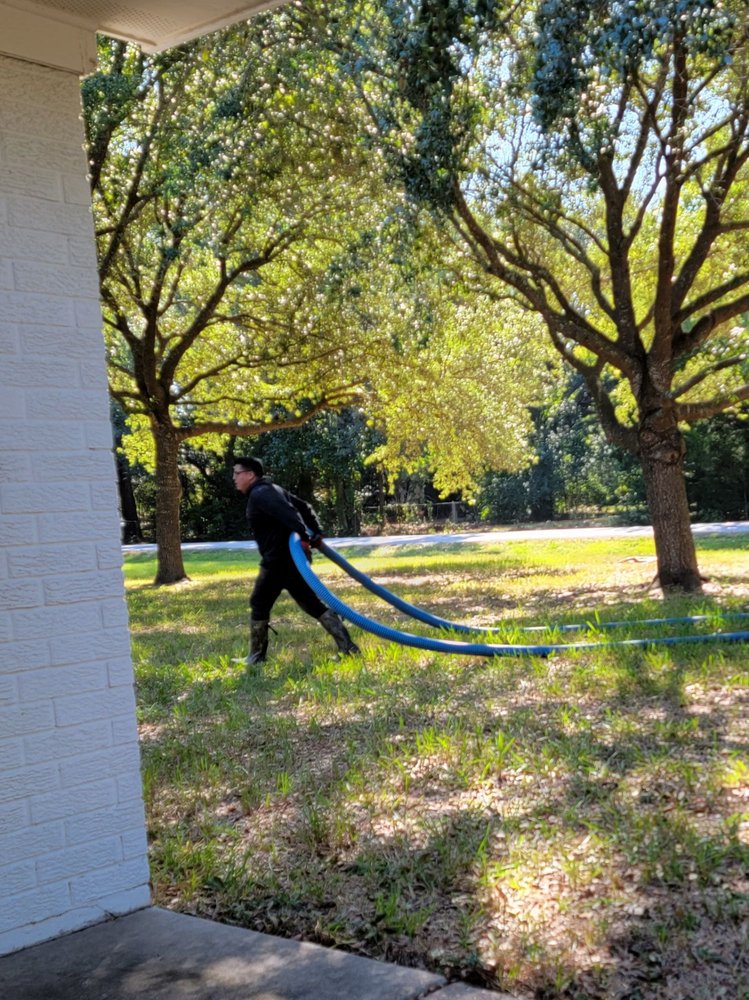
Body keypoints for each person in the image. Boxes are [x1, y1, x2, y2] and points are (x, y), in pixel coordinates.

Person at [232, 456, 360, 665]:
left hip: (279, 560)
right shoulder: (271, 489)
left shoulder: (261, 493)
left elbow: (291, 513)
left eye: (237, 473)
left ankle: (256, 657)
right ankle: (348, 648)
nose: (234, 478)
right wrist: (315, 532)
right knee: (310, 603)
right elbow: (304, 506)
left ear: (250, 474)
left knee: (259, 603)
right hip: (289, 559)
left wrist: (306, 536)